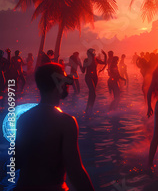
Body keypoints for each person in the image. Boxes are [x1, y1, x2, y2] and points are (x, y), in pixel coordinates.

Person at [15, 63, 94, 191]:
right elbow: (75, 171)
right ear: (59, 85)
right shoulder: (66, 122)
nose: (67, 86)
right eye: (65, 83)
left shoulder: (23, 119)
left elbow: (16, 162)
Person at [82, 49, 107, 117]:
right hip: (88, 77)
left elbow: (105, 63)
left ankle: (88, 109)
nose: (94, 53)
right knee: (93, 93)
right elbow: (83, 71)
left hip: (95, 77)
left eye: (94, 52)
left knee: (91, 94)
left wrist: (105, 55)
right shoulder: (86, 60)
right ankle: (89, 109)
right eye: (93, 52)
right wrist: (79, 64)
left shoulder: (96, 59)